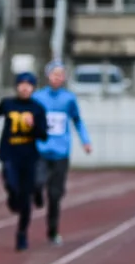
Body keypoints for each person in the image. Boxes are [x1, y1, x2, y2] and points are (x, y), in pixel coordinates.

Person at [32, 61, 93, 246]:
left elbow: (77, 121)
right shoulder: (37, 98)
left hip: (61, 152)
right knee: (37, 182)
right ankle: (36, 194)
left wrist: (86, 141)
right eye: (54, 74)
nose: (57, 77)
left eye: (60, 74)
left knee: (55, 195)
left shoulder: (69, 99)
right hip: (41, 150)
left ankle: (53, 231)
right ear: (48, 76)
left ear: (64, 77)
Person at [0, 72, 49, 251]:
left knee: (25, 199)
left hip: (29, 156)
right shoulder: (7, 104)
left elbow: (43, 136)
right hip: (9, 154)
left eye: (28, 85)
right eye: (21, 84)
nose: (24, 88)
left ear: (33, 88)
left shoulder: (38, 108)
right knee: (12, 187)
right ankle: (13, 196)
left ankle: (22, 233)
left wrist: (34, 125)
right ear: (16, 86)